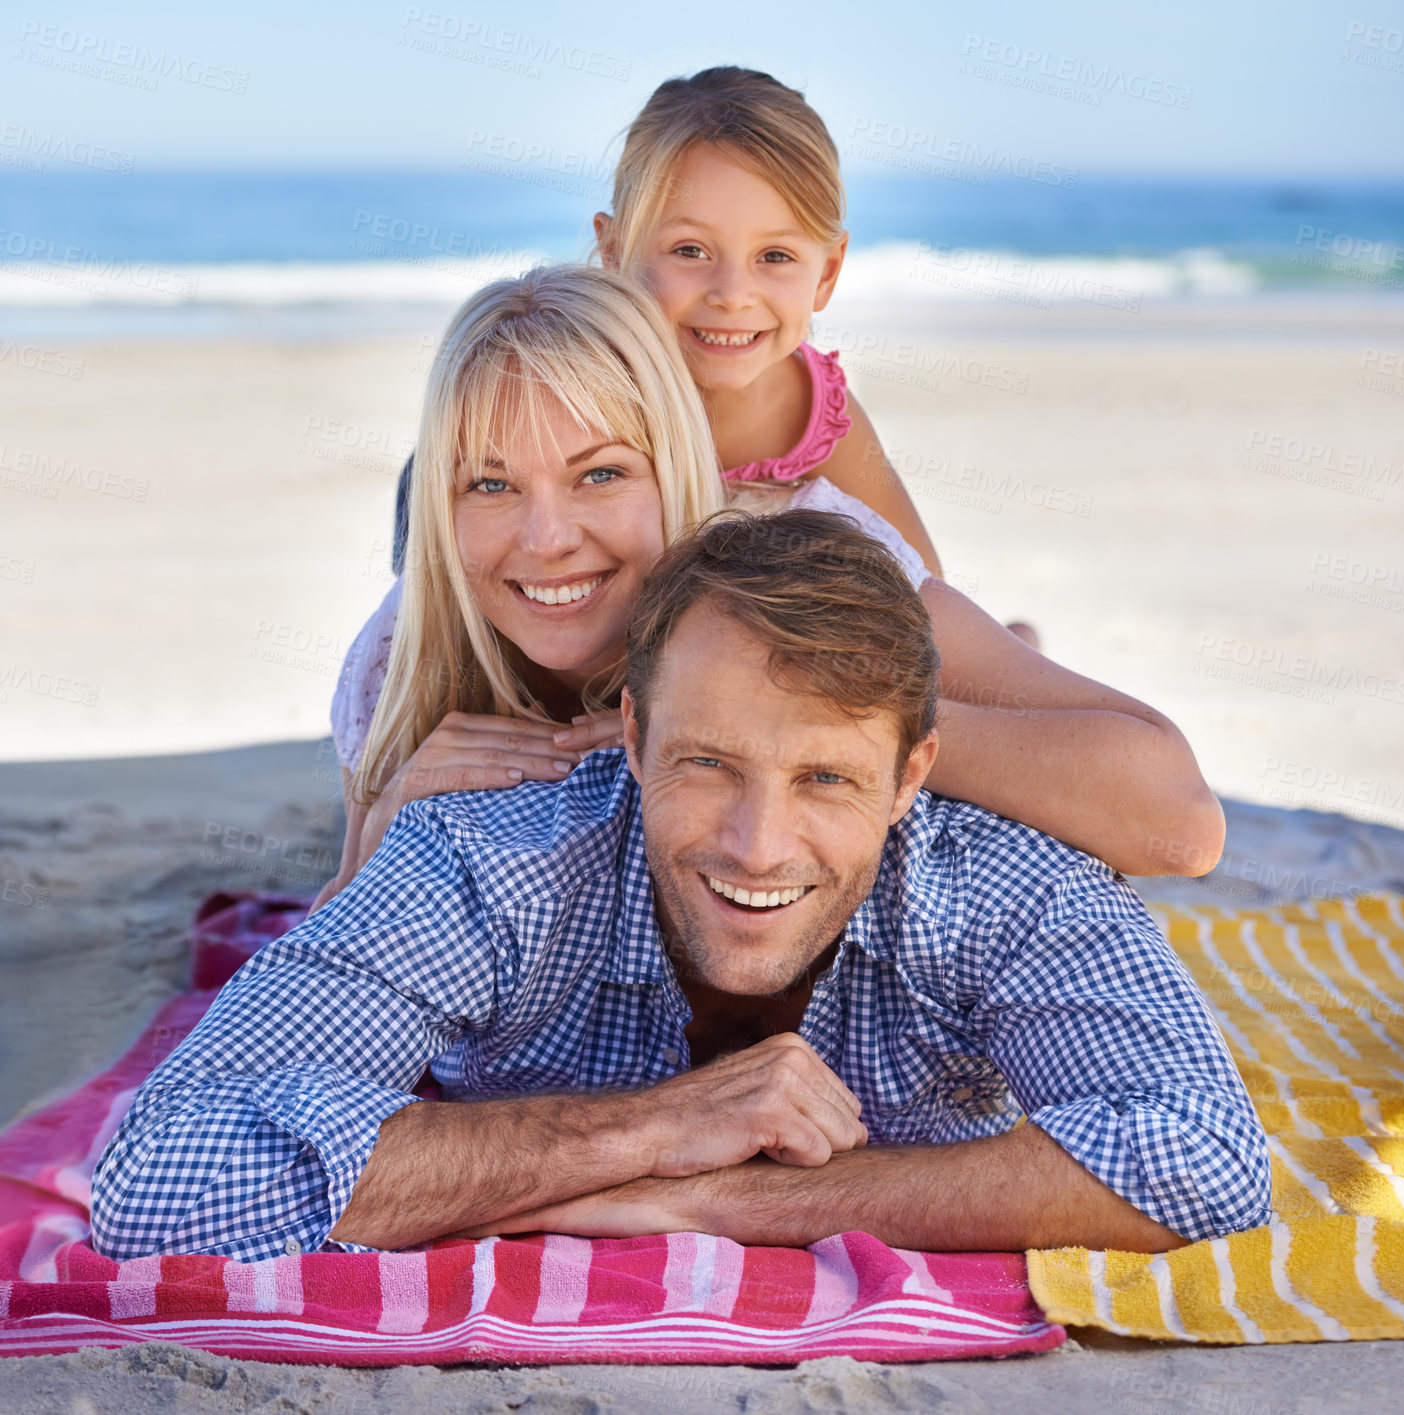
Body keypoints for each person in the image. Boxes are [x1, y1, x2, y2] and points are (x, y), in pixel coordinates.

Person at [92, 511, 1271, 1262]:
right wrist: (652, 1128)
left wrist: (712, 1200)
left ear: (912, 773)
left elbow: (1205, 1159)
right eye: (707, 762)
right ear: (632, 730)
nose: (759, 844)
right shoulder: (485, 857)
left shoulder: (997, 873)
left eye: (824, 776)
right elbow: (161, 1176)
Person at [322, 262, 1224, 905]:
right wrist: (381, 832)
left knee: (981, 665)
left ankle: (1013, 643)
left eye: (602, 474)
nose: (547, 539)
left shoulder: (798, 566)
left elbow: (1180, 823)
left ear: (679, 472)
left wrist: (837, 724)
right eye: (489, 483)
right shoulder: (412, 652)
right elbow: (312, 975)